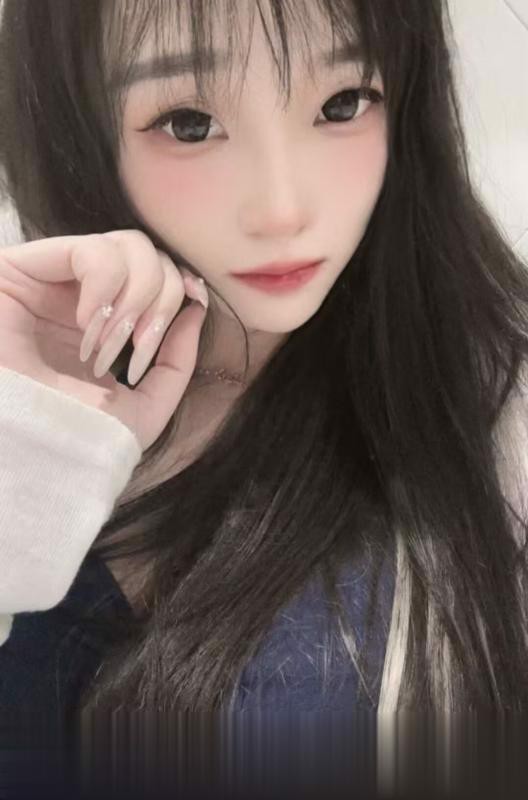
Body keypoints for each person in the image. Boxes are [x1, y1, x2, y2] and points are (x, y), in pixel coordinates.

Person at [1, 0, 528, 728]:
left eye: (343, 103)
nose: (282, 209)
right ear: (74, 123)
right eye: (190, 124)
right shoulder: (23, 377)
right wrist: (24, 444)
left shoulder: (496, 421)